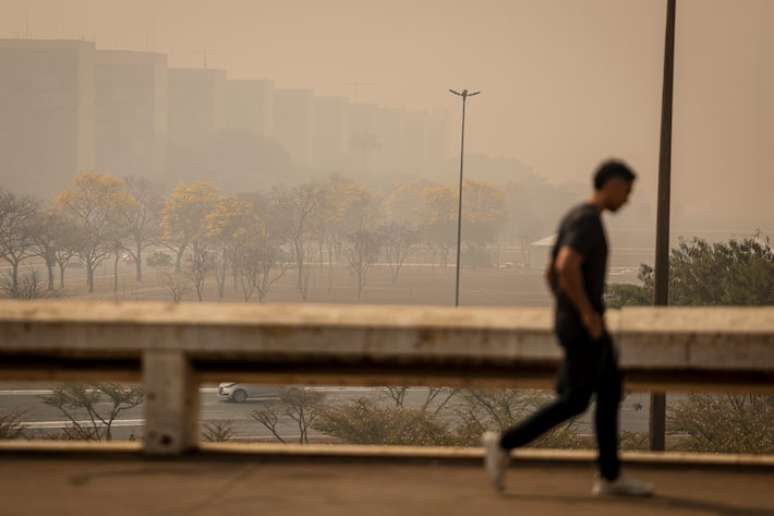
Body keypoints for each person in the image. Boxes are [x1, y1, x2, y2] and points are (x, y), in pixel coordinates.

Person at [482, 160, 653, 497]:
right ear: (613, 184)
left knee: (609, 391)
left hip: (581, 323)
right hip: (586, 326)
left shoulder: (574, 217)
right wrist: (585, 314)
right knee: (576, 400)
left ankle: (610, 475)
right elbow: (565, 266)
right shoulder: (587, 221)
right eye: (628, 191)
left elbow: (550, 272)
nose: (628, 200)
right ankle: (504, 443)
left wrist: (566, 308)